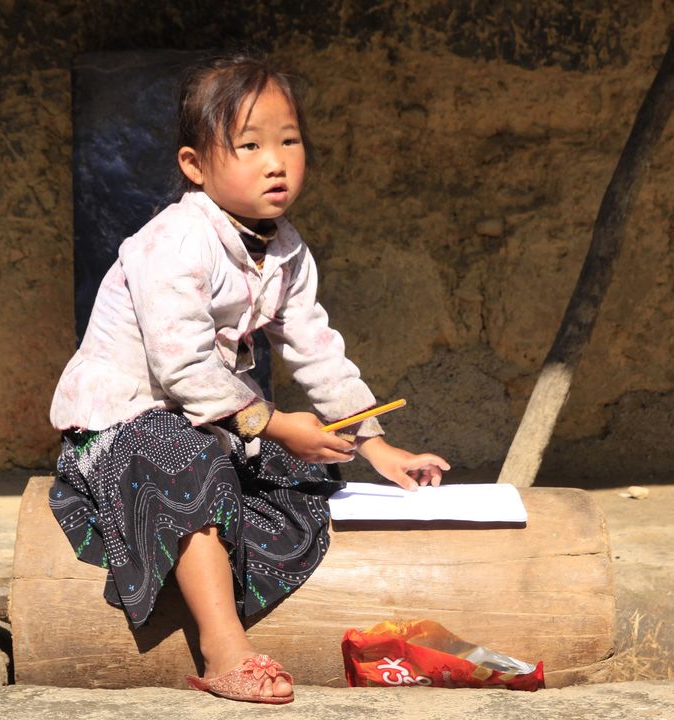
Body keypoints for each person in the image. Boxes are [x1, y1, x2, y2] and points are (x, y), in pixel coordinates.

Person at [48, 52, 450, 705]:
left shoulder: (286, 249)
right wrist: (275, 422)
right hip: (120, 429)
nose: (276, 161)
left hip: (208, 422)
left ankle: (206, 584)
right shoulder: (173, 241)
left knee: (304, 479)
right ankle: (222, 647)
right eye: (250, 145)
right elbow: (180, 367)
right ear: (194, 166)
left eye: (289, 141)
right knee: (185, 461)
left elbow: (317, 348)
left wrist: (374, 444)